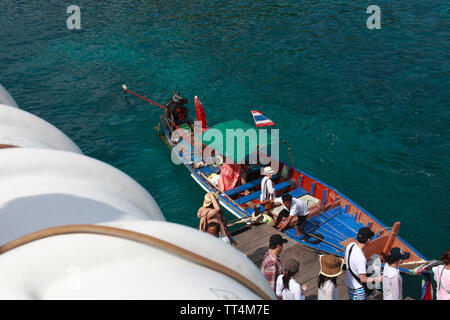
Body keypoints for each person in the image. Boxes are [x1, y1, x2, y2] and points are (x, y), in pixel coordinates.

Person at [344, 227, 382, 300]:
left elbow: (346, 259)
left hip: (349, 283)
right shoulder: (361, 258)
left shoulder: (350, 245)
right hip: (358, 289)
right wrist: (378, 279)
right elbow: (363, 279)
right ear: (368, 240)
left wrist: (365, 261)